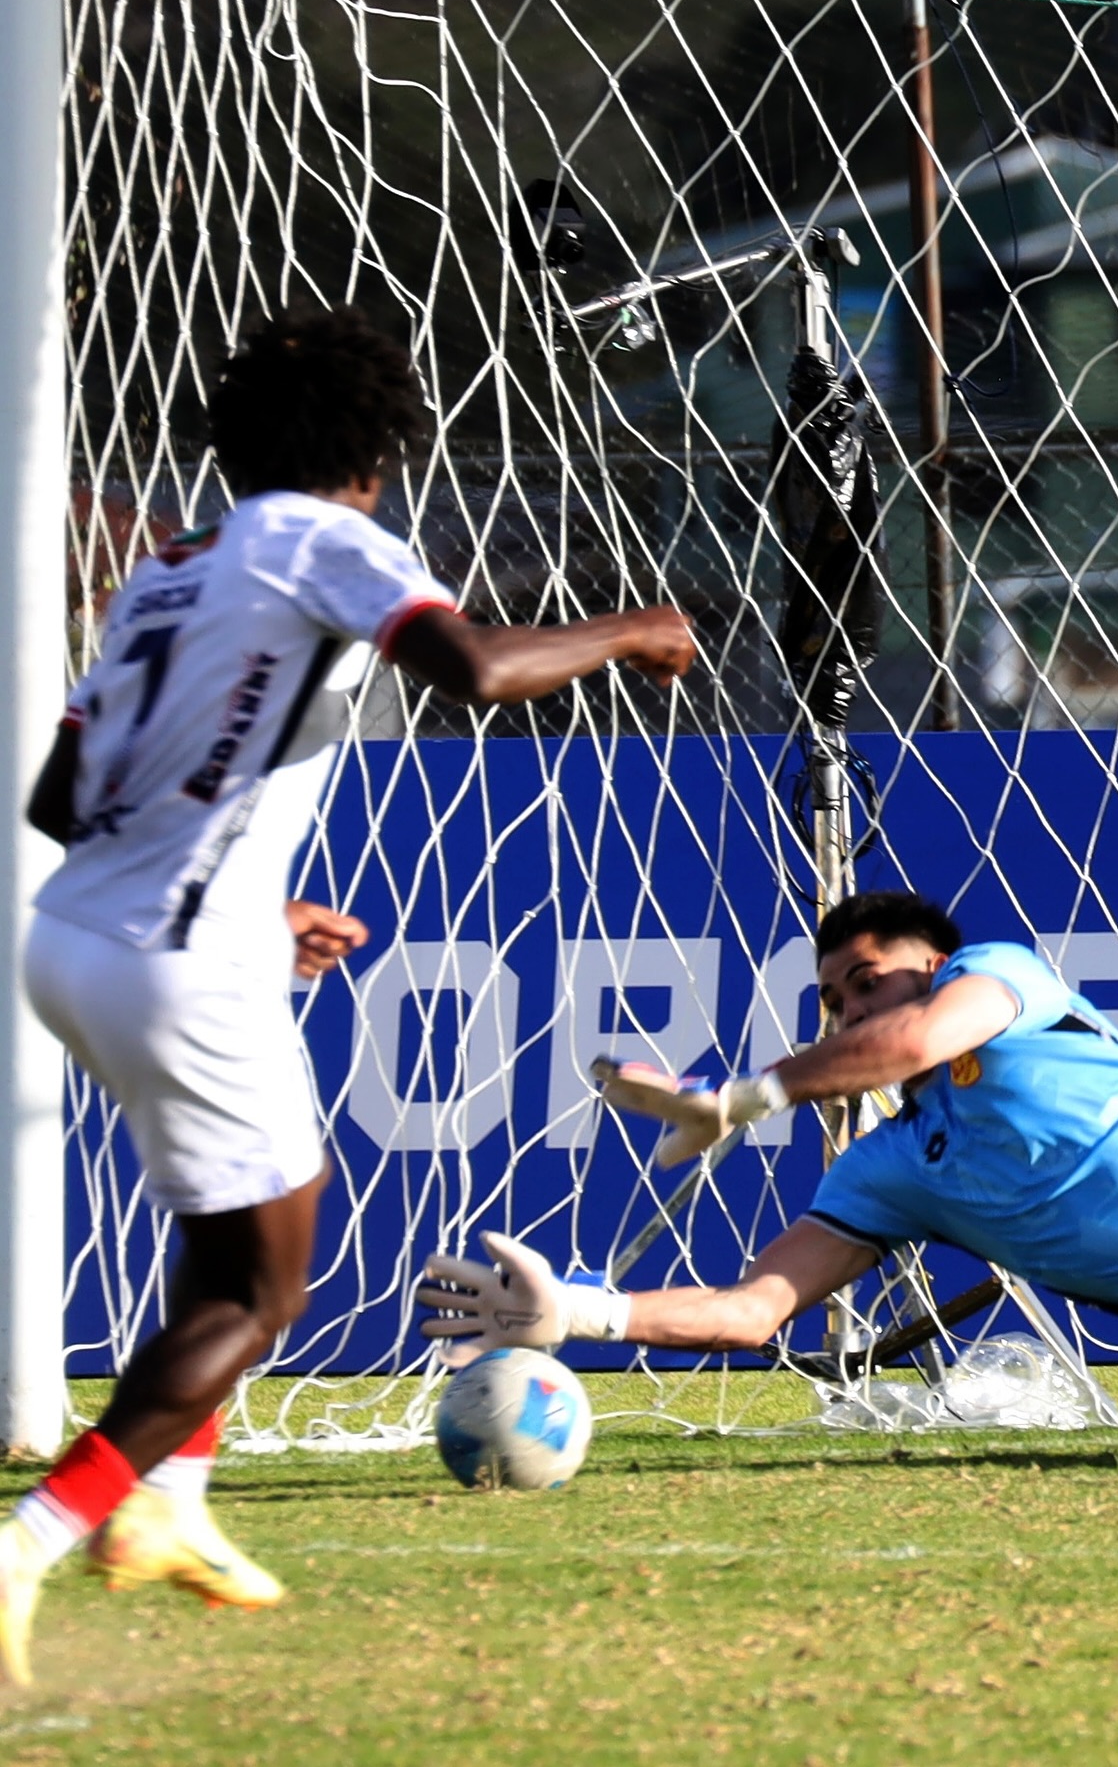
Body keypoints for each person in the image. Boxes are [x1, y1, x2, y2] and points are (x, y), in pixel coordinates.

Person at [0, 304, 695, 1688]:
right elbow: (481, 670)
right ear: (375, 454)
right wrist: (634, 629)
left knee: (217, 1249)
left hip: (77, 940)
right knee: (263, 1295)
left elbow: (63, 795)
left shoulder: (173, 565)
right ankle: (31, 1542)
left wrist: (245, 903)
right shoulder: (330, 537)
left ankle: (170, 1507)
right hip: (178, 964)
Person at [418, 888, 1118, 1414]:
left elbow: (909, 1043)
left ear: (937, 968)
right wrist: (582, 1310)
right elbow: (751, 1310)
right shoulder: (887, 1170)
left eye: (868, 979)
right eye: (832, 996)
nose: (850, 1005)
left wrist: (746, 1095)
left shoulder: (1006, 987)